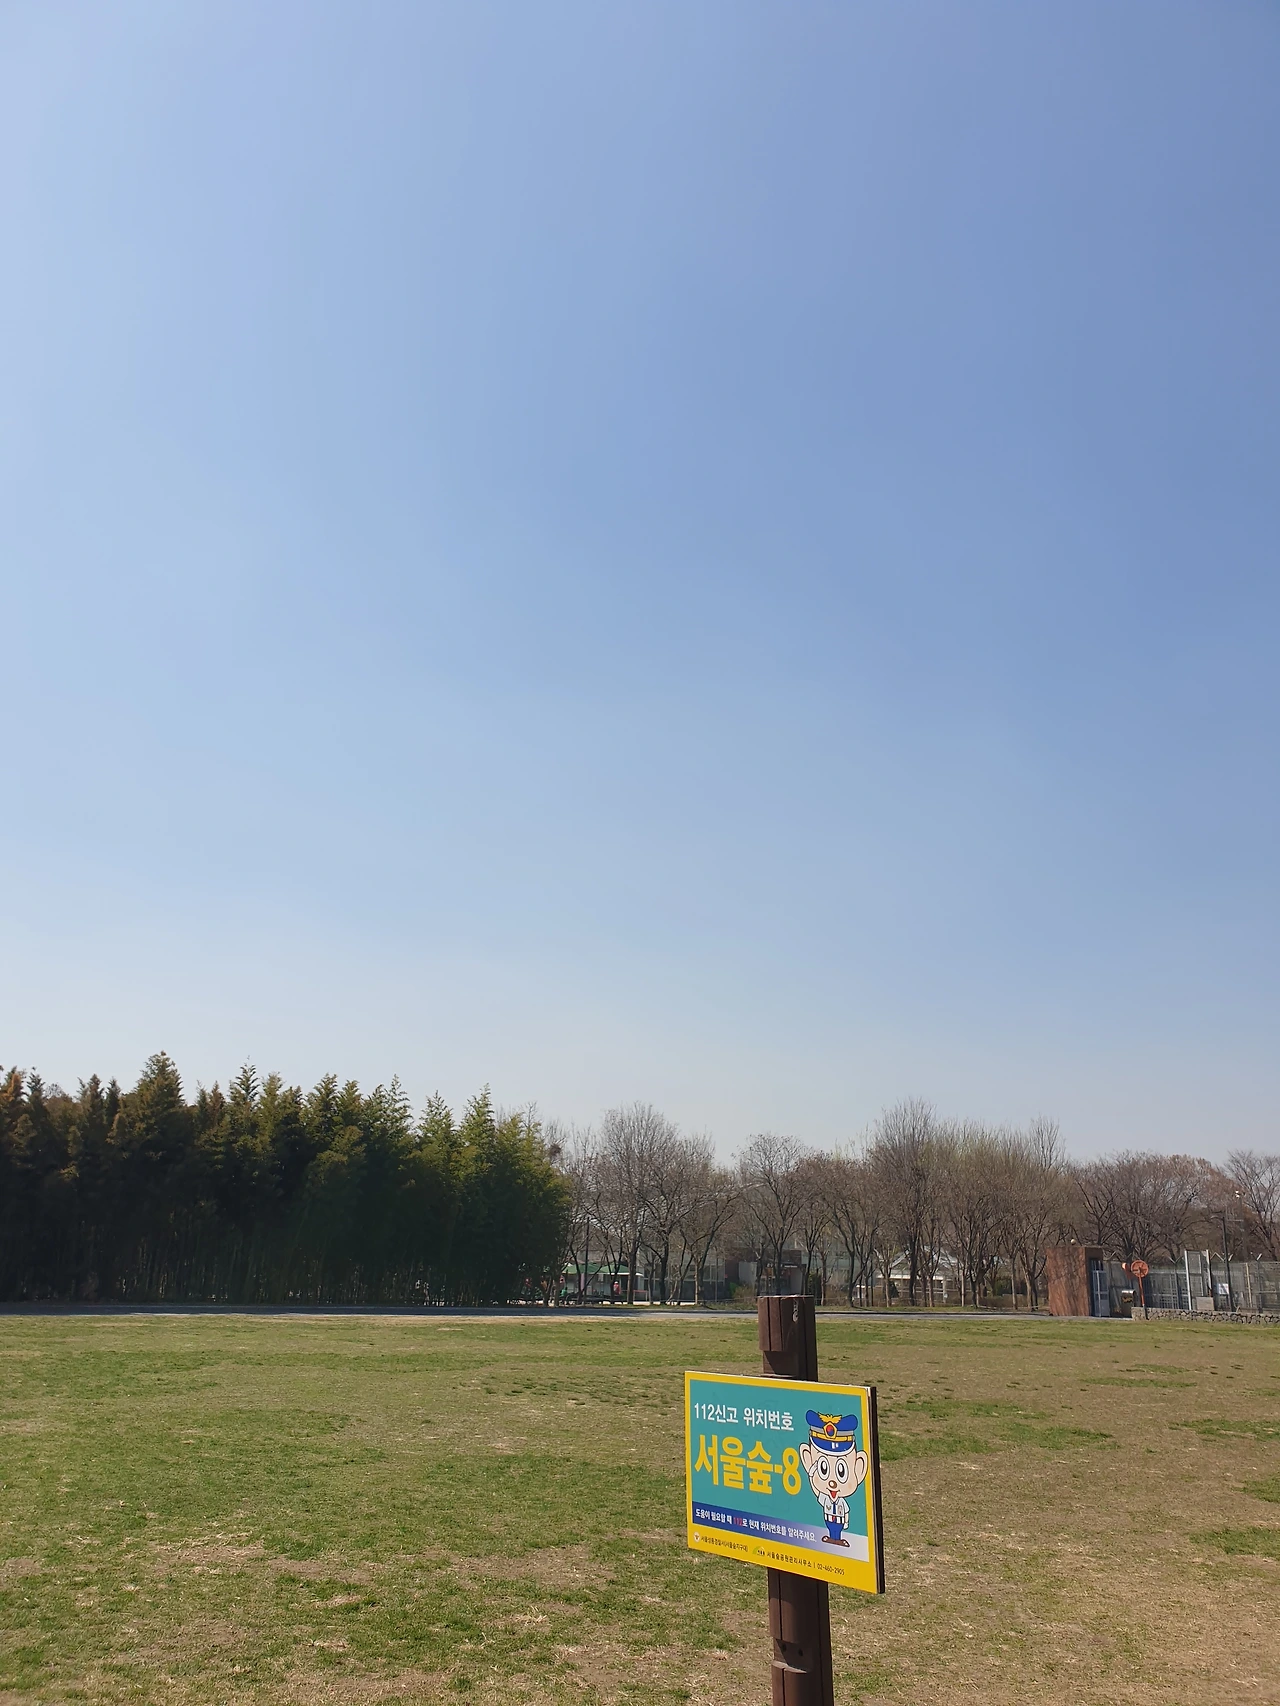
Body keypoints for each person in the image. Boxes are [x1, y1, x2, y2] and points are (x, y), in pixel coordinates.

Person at [799, 1410, 868, 1547]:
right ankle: (833, 1537)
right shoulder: (825, 1497)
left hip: (839, 1519)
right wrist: (812, 1472)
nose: (832, 1483)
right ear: (807, 1458)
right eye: (823, 1469)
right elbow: (817, 1491)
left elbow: (846, 1511)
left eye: (841, 1472)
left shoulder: (841, 1501)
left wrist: (846, 1523)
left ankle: (837, 1538)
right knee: (831, 1527)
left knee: (837, 1528)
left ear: (859, 1467)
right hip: (829, 1518)